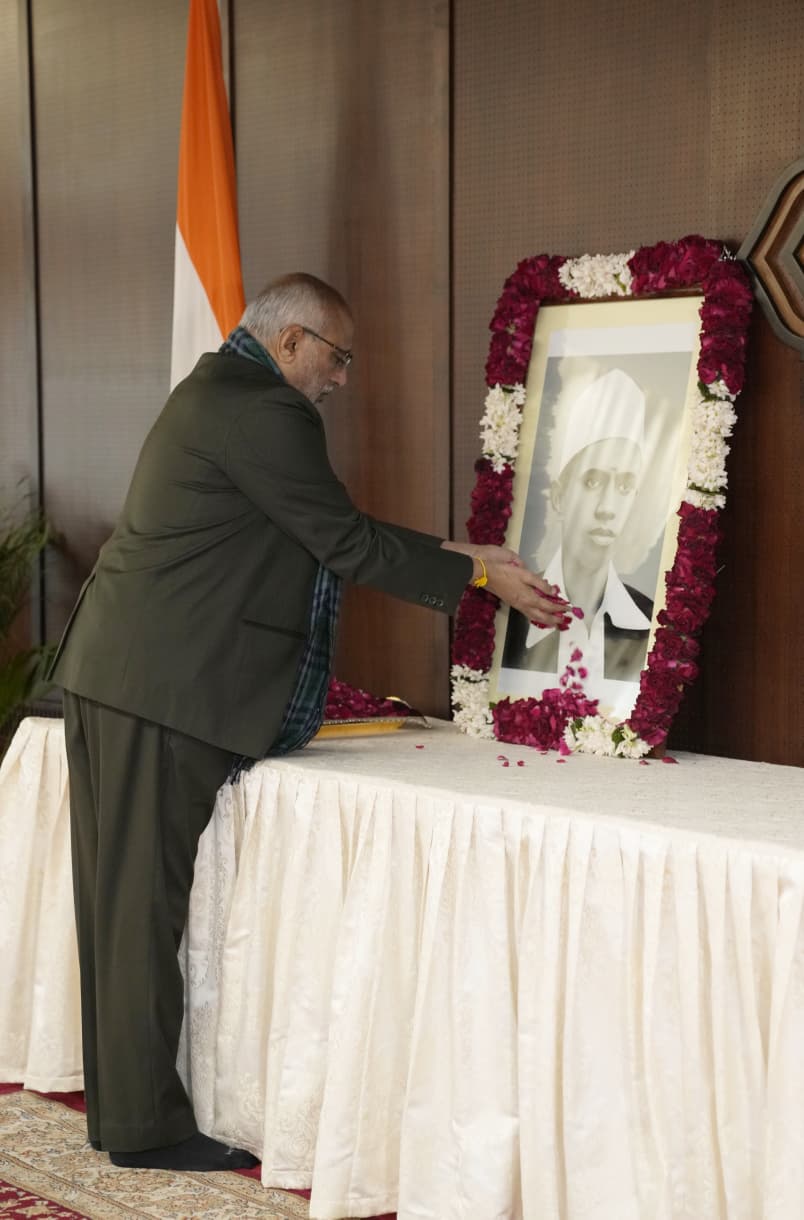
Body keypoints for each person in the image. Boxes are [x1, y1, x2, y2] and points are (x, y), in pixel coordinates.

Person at [49, 272, 569, 1171]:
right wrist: (482, 575)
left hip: (122, 673)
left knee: (118, 905)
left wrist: (470, 554)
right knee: (138, 913)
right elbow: (344, 541)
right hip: (163, 686)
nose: (342, 377)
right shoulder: (267, 411)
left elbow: (323, 524)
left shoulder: (219, 389)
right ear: (290, 341)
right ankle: (144, 1129)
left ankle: (123, 1116)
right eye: (337, 357)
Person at [503, 367, 653, 688]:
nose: (607, 508)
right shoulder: (509, 617)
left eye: (624, 487)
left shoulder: (651, 623)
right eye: (593, 481)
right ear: (559, 497)